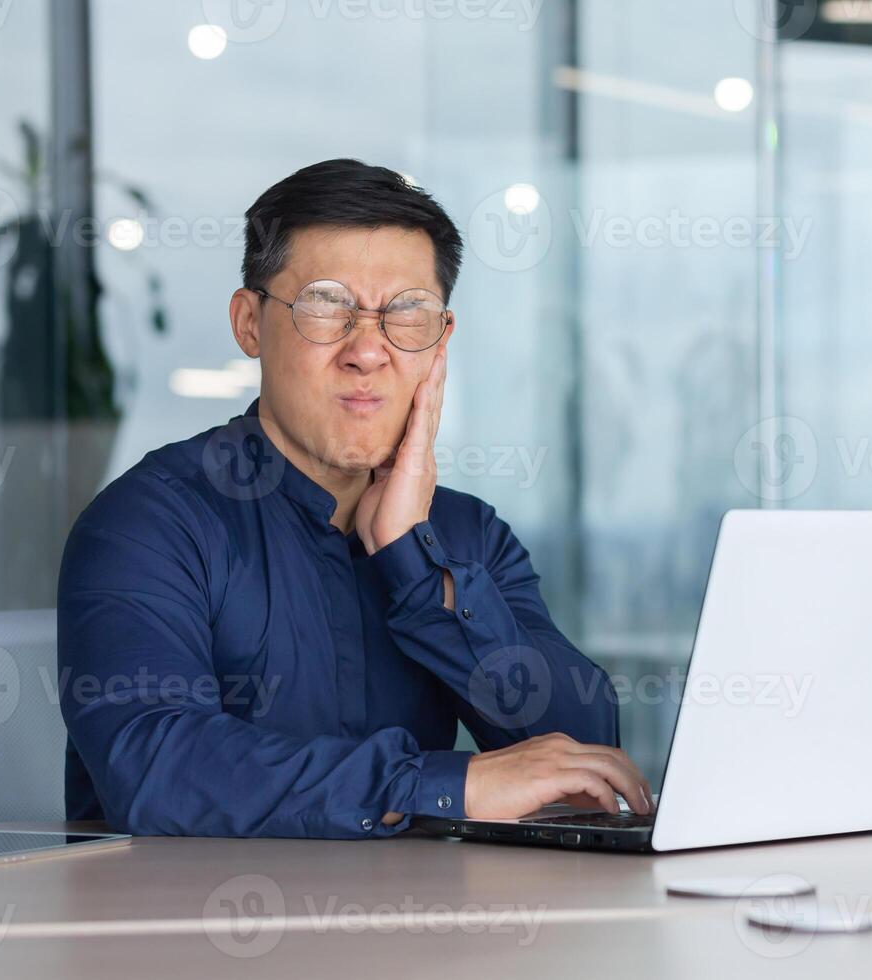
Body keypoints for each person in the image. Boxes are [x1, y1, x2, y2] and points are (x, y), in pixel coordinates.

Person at [57, 159, 651, 838]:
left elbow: (584, 756)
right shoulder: (149, 526)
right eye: (325, 306)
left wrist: (413, 560)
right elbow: (157, 769)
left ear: (441, 343)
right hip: (187, 930)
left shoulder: (463, 535)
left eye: (407, 314)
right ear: (250, 322)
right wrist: (445, 784)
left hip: (417, 929)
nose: (367, 351)